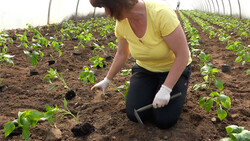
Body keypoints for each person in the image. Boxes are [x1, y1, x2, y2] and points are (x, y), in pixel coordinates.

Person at [89, 0, 192, 129]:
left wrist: (166, 89)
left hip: (172, 69)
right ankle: (154, 90)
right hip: (145, 70)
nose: (106, 12)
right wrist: (107, 80)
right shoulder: (122, 22)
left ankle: (173, 89)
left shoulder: (161, 14)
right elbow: (122, 53)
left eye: (106, 6)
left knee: (164, 120)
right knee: (134, 114)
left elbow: (182, 55)